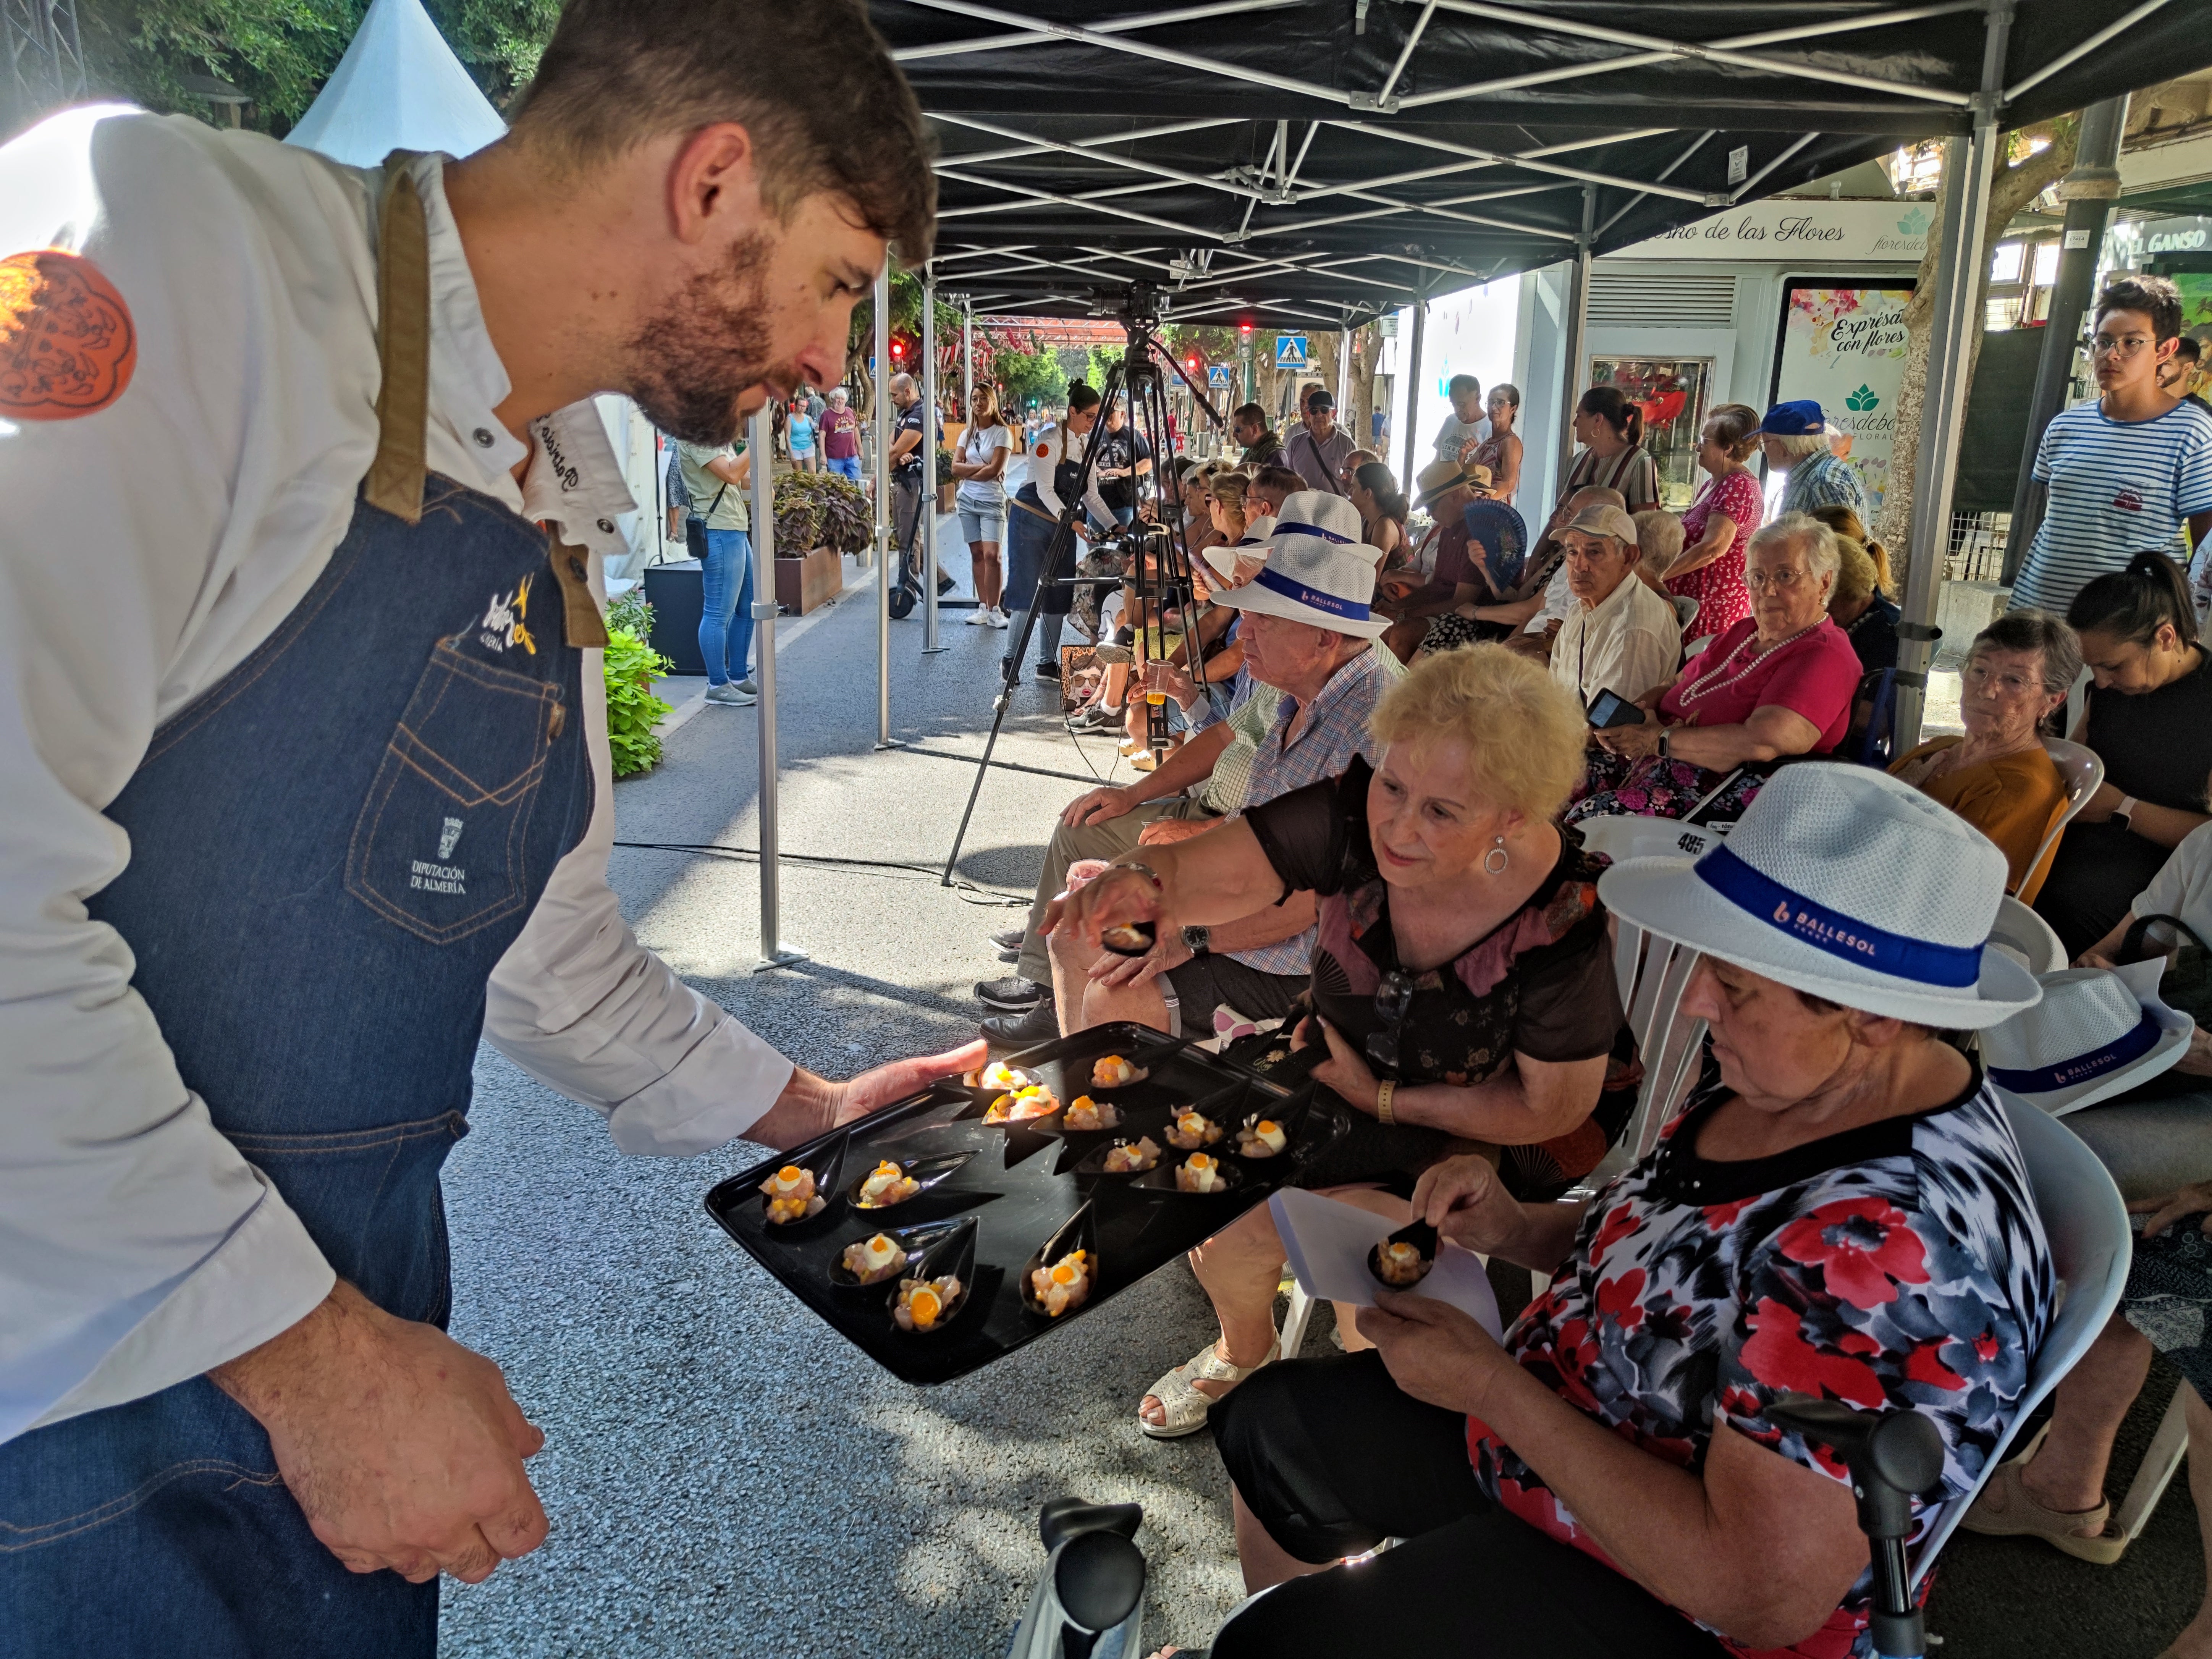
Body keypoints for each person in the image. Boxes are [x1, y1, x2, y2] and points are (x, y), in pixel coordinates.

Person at [0, 6, 987, 1653]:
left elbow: (549, 952)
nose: (830, 361)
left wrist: (806, 1106)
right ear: (716, 180)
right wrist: (318, 1364)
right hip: (81, 1388)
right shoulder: (165, 243)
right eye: (833, 283)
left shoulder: (534, 493)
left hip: (349, 1290)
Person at [1176, 763, 2053, 1659]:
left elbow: (1755, 1592)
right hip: (1573, 1413)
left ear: (1873, 1016)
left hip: (1674, 1593)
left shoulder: (1887, 1250)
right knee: (1271, 1428)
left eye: (1737, 987)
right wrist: (1517, 1225)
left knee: (1281, 1644)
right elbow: (1678, 1244)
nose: (1696, 1000)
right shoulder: (1796, 1075)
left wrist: (1488, 1386)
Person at [1049, 647, 1636, 1442]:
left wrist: (1385, 1099)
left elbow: (1550, 1107)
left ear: (1513, 816)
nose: (1397, 825)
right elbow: (1225, 870)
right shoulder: (1355, 809)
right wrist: (1147, 882)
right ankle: (1243, 1349)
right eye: (1393, 785)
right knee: (1213, 1219)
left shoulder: (1560, 916)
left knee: (1374, 1277)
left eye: (1441, 812)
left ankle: (1357, 1438)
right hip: (1336, 1056)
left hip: (1481, 1124)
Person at [1046, 504, 1404, 1049]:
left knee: (1113, 988)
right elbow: (1251, 837)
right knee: (1080, 929)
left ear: (1325, 640)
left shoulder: (1370, 724)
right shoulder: (1299, 692)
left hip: (1294, 965)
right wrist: (1155, 880)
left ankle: (1125, 1117)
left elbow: (1307, 906)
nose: (1246, 634)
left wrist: (1187, 935)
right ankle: (1083, 1105)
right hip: (1241, 924)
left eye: (1265, 619)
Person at [1569, 515, 1862, 825]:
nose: (1768, 591)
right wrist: (1640, 715)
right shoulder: (1744, 633)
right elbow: (1679, 681)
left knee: (1592, 819)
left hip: (1723, 791)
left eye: (1786, 576)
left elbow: (1761, 742)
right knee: (1547, 777)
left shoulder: (1824, 653)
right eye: (1758, 578)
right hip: (1657, 765)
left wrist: (1659, 740)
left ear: (1824, 582)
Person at [2035, 552, 2212, 958]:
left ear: (2165, 638)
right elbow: (2080, 760)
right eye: (2091, 667)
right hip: (2081, 837)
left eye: (2112, 666)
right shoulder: (2109, 689)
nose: (2100, 681)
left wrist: (2121, 808)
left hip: (2162, 869)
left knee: (2064, 908)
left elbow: (2206, 843)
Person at [2011, 276, 2212, 616]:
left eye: (2131, 343)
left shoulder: (2194, 433)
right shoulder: (2065, 426)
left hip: (2128, 629)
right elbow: (2061, 523)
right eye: (2103, 341)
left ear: (2164, 350)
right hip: (2040, 620)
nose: (2110, 355)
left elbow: (2206, 551)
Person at [1888, 611, 2076, 897]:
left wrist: (1896, 802)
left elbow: (1947, 896)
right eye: (1979, 671)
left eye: (2014, 681)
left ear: (2052, 700)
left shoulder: (2022, 790)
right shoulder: (1941, 746)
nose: (1987, 691)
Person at [1004, 380, 1111, 685]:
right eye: (1089, 417)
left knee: (1058, 594)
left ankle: (1046, 663)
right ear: (1073, 412)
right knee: (1027, 593)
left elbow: (1091, 496)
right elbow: (1045, 490)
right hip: (1032, 521)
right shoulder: (1048, 441)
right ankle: (1010, 660)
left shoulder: (1086, 447)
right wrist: (1072, 522)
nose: (1093, 423)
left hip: (1063, 525)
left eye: (1096, 418)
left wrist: (1115, 525)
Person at [1549, 504, 1683, 710]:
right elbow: (1554, 692)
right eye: (1572, 552)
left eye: (1594, 552)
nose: (1579, 566)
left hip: (1590, 741)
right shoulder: (1582, 608)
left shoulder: (1634, 629)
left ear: (1629, 557)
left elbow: (1609, 730)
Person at [1665, 402, 1763, 640]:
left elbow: (1712, 549)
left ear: (1727, 448)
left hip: (1712, 606)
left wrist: (1658, 576)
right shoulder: (1713, 484)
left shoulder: (1738, 485)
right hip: (1696, 600)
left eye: (1705, 441)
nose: (1698, 447)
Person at [676, 435, 758, 705]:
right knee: (718, 612)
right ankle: (717, 684)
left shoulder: (715, 438)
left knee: (747, 608)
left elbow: (739, 478)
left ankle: (737, 676)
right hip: (719, 529)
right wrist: (758, 442)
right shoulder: (696, 437)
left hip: (733, 527)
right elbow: (732, 474)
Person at [951, 383, 1011, 627]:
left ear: (993, 402)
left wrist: (974, 471)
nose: (978, 403)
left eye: (983, 398)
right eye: (974, 399)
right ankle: (984, 608)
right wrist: (981, 470)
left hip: (992, 501)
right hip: (967, 500)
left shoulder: (1002, 433)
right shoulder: (967, 434)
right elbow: (955, 468)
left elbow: (996, 470)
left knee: (992, 556)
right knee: (977, 554)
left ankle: (996, 610)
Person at [885, 370, 946, 603]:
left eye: (894, 394)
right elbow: (891, 443)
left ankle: (907, 584)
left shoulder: (918, 415)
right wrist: (898, 451)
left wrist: (878, 480)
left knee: (908, 537)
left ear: (908, 392)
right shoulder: (906, 414)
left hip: (911, 484)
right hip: (904, 481)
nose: (892, 399)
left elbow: (894, 451)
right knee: (910, 534)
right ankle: (940, 579)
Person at [1759, 399, 1867, 521]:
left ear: (1784, 448)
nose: (1763, 450)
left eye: (1765, 442)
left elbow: (1843, 539)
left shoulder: (1824, 481)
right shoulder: (1811, 475)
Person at [1286, 386, 1358, 496]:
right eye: (1314, 411)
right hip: (1303, 509)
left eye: (1324, 410)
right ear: (1309, 415)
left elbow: (1356, 483)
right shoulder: (1295, 444)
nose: (1319, 415)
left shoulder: (1347, 445)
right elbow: (1287, 479)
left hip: (1336, 509)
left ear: (1333, 414)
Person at [1094, 397, 1153, 526]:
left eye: (1110, 410)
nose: (1106, 414)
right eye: (1104, 410)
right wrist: (1098, 471)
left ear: (1122, 414)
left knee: (1125, 545)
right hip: (1097, 506)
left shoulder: (1134, 436)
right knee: (1095, 545)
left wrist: (1123, 472)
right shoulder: (1096, 435)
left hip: (1124, 506)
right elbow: (1086, 459)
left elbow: (1149, 462)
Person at [1349, 459, 1409, 575]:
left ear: (1368, 493)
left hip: (1387, 592)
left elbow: (1372, 578)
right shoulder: (1367, 519)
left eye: (1354, 487)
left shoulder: (1385, 525)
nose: (1350, 492)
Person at [1470, 382, 1522, 507]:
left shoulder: (1510, 442)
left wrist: (1481, 502)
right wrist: (1462, 455)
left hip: (1491, 514)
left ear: (1513, 409)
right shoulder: (1487, 444)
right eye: (1491, 402)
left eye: (1500, 403)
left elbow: (1508, 484)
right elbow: (1464, 475)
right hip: (1478, 510)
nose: (1493, 407)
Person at [1431, 373, 1489, 465]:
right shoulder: (1451, 420)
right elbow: (1438, 459)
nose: (1457, 410)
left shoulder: (1490, 430)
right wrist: (1425, 477)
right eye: (1453, 404)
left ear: (1478, 398)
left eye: (1462, 405)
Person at [820, 384, 863, 482]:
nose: (840, 401)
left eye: (843, 399)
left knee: (857, 483)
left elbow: (855, 430)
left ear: (846, 400)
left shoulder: (850, 411)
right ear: (833, 399)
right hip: (834, 458)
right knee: (835, 486)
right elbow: (822, 436)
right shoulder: (826, 415)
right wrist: (823, 455)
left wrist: (860, 449)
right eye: (838, 398)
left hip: (852, 456)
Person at [1234, 401, 1285, 467]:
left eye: (1238, 430)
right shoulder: (1253, 451)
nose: (1234, 435)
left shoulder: (1276, 455)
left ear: (1255, 430)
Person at [784, 395, 817, 472]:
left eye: (804, 406)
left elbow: (815, 430)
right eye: (800, 405)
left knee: (813, 472)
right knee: (799, 474)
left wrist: (817, 428)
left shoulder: (808, 418)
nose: (802, 408)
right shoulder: (790, 418)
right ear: (796, 405)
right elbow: (787, 437)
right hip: (795, 448)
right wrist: (791, 454)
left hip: (808, 446)